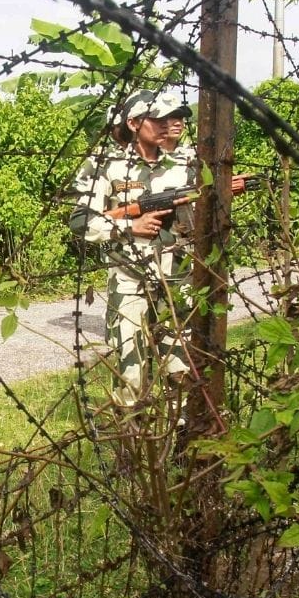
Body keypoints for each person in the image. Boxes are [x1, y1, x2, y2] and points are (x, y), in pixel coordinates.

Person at [70, 89, 197, 409]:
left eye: (172, 118)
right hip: (130, 280)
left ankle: (181, 442)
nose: (169, 124)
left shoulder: (183, 163)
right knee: (131, 373)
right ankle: (132, 444)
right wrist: (130, 226)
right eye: (159, 119)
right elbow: (81, 222)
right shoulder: (106, 165)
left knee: (181, 368)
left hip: (176, 278)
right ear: (134, 123)